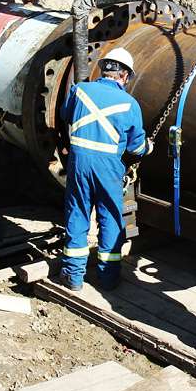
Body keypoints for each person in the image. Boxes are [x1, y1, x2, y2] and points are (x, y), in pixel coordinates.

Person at [60, 48, 150, 292]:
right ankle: (108, 278)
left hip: (79, 162)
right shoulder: (130, 104)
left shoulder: (80, 90)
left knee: (78, 212)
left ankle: (73, 277)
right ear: (125, 75)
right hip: (108, 166)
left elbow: (66, 115)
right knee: (110, 216)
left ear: (102, 69)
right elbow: (136, 147)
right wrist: (148, 147)